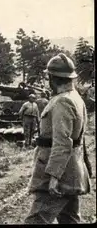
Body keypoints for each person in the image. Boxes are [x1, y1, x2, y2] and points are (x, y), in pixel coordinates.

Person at [24, 53, 91, 224]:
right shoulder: (76, 98)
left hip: (57, 175)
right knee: (70, 219)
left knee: (36, 220)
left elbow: (62, 142)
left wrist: (54, 177)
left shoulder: (62, 102)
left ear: (52, 78)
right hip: (71, 171)